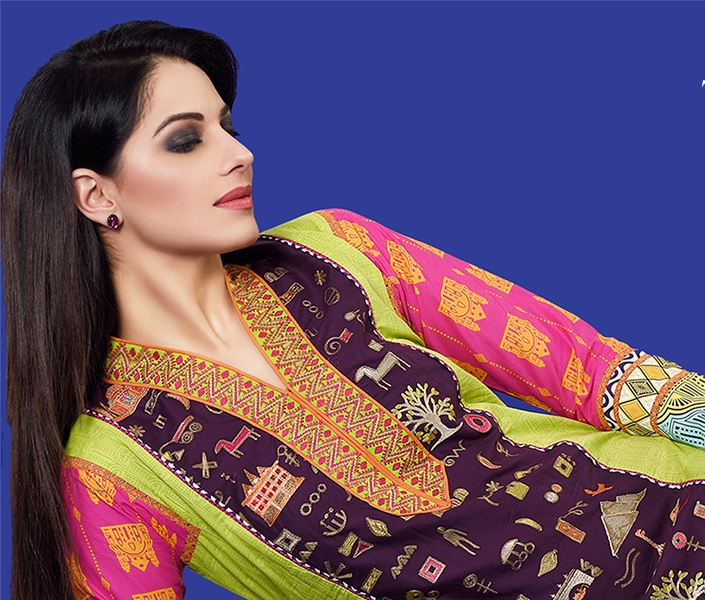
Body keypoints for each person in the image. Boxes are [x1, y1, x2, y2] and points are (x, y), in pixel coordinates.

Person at [2, 20, 704, 600]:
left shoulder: (337, 250)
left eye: (228, 126)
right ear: (97, 196)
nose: (241, 153)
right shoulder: (112, 471)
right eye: (187, 139)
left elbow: (584, 368)